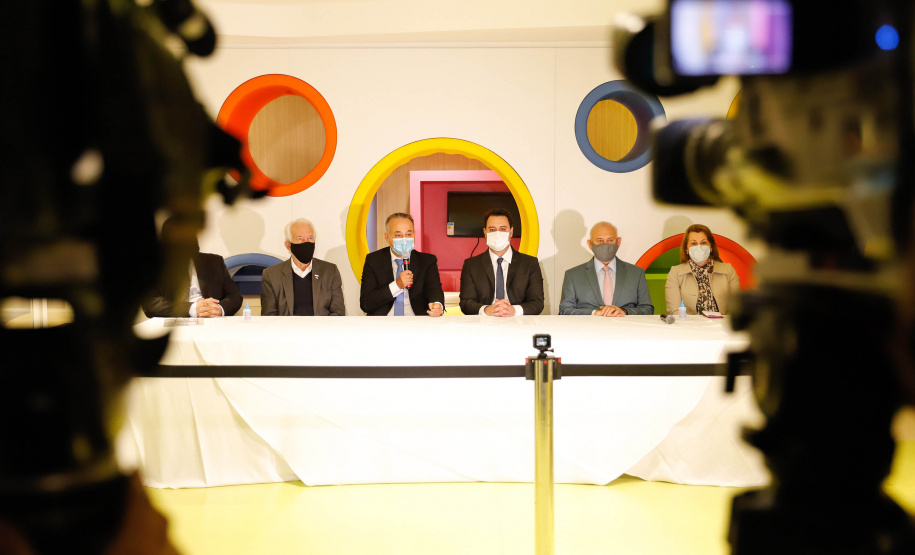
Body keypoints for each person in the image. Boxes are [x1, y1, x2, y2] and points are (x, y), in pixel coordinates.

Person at [143, 217, 243, 318]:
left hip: (211, 320)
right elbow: (150, 303)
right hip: (175, 321)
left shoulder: (215, 262)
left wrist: (219, 309)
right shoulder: (156, 266)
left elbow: (234, 296)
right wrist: (193, 309)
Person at [459, 208, 544, 316]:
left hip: (519, 322)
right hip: (484, 322)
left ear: (511, 232)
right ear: (485, 233)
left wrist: (513, 310)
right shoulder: (471, 265)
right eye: (492, 229)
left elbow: (537, 303)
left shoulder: (530, 263)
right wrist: (487, 310)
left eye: (503, 229)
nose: (497, 234)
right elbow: (466, 303)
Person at [559, 221, 653, 316]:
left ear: (618, 242)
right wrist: (595, 313)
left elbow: (647, 309)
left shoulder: (636, 273)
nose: (605, 244)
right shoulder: (573, 275)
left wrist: (625, 311)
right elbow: (564, 311)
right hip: (589, 325)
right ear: (590, 244)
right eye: (600, 241)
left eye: (610, 240)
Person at [360, 213, 445, 316]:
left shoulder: (427, 261)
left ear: (414, 234)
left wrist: (437, 305)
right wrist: (397, 285)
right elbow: (366, 303)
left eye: (408, 234)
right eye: (398, 235)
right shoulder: (373, 260)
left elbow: (434, 290)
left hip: (416, 321)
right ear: (387, 237)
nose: (404, 240)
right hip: (384, 322)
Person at [260, 218, 345, 316]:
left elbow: (338, 312)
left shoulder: (330, 271)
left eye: (310, 238)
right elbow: (269, 316)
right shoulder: (271, 275)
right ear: (288, 245)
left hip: (321, 326)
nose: (306, 242)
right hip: (287, 326)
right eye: (300, 239)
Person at [665, 224, 740, 315]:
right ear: (686, 249)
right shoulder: (676, 273)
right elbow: (674, 311)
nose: (699, 247)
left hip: (722, 323)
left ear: (711, 247)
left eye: (703, 242)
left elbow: (737, 307)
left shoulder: (728, 270)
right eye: (694, 243)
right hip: (688, 324)